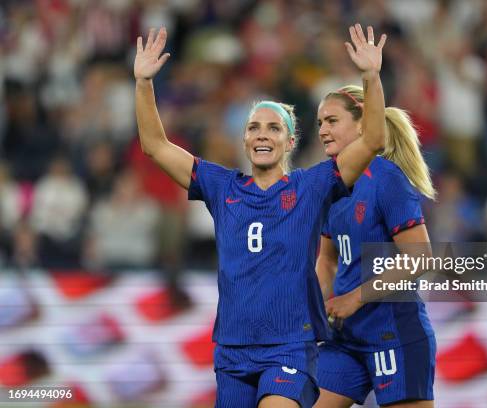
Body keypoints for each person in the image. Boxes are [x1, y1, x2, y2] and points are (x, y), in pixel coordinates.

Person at [133, 25, 387, 408]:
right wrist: (143, 83)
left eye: (273, 128)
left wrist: (370, 77)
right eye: (254, 127)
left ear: (289, 141)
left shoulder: (312, 185)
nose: (262, 134)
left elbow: (373, 140)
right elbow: (155, 145)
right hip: (233, 351)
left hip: (289, 347)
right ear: (245, 139)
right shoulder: (222, 187)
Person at [314, 85, 437, 406]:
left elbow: (420, 258)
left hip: (395, 336)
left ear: (361, 124)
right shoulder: (329, 184)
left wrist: (354, 298)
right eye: (319, 123)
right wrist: (307, 308)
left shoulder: (387, 179)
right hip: (345, 339)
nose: (323, 130)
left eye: (331, 120)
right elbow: (326, 261)